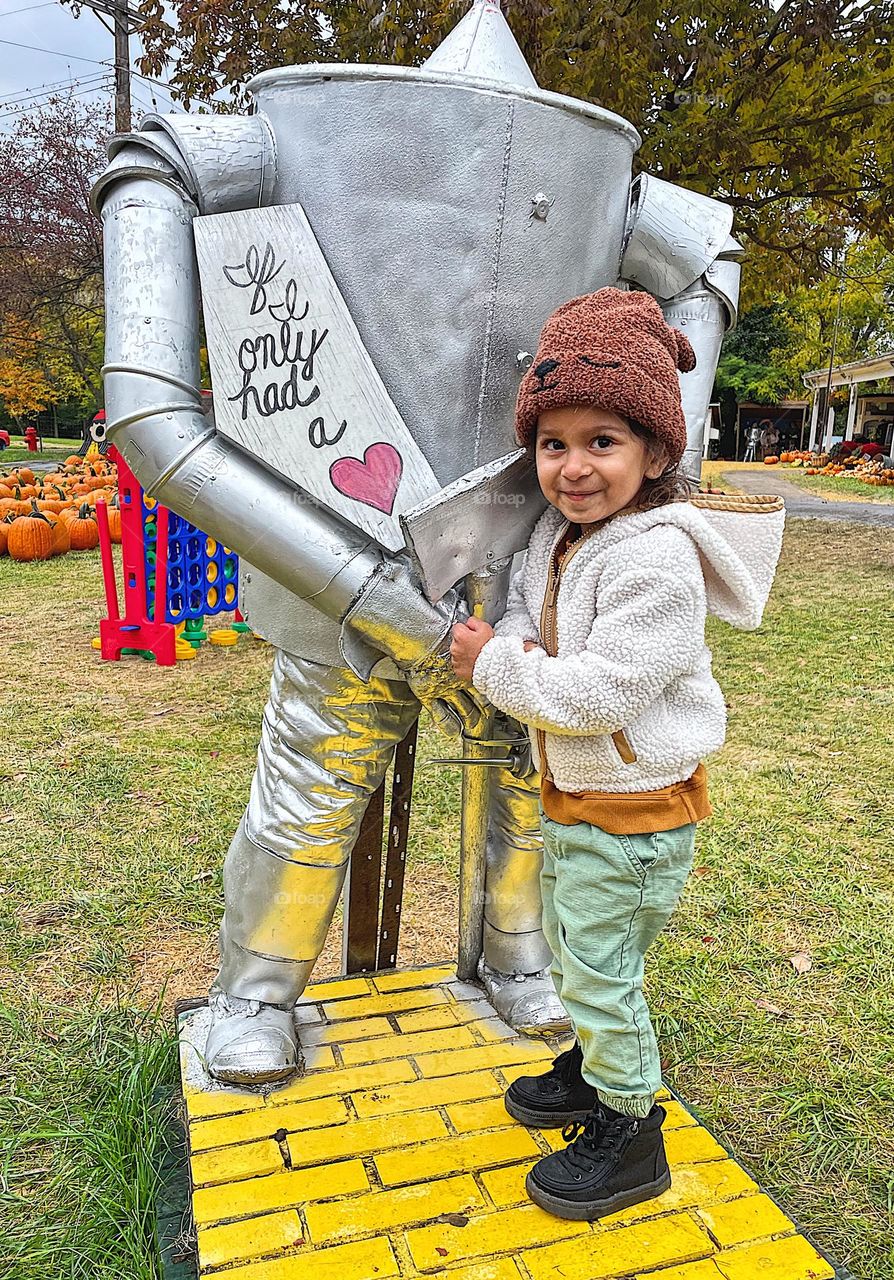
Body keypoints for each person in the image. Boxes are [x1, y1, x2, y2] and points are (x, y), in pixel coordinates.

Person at [450, 288, 784, 1222]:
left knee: (601, 972)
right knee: (573, 947)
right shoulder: (560, 536)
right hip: (582, 806)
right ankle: (599, 1074)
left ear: (657, 451)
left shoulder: (659, 560)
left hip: (636, 813)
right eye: (554, 444)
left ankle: (631, 1132)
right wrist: (511, 643)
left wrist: (496, 669)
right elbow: (523, 610)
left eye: (603, 442)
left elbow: (599, 695)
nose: (574, 467)